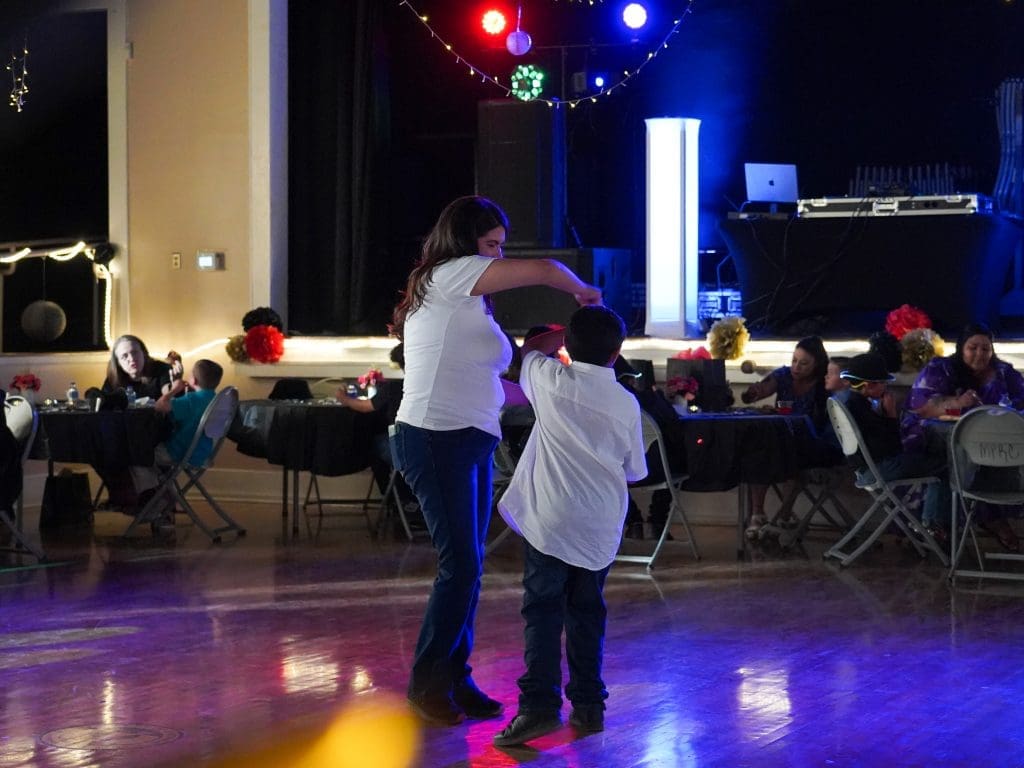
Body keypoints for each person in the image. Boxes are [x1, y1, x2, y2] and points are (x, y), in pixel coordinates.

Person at [390, 195, 602, 727]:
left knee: (469, 568)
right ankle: (428, 684)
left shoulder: (467, 301)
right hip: (435, 436)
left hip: (470, 437)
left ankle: (454, 679)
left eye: (500, 248)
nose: (498, 256)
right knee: (459, 567)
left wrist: (551, 372)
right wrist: (580, 290)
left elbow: (497, 383)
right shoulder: (447, 277)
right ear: (466, 243)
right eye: (491, 245)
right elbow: (546, 269)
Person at [492, 305, 647, 747]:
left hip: (550, 521)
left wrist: (561, 330)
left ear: (567, 346)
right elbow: (635, 470)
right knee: (587, 612)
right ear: (617, 353)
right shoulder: (625, 403)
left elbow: (530, 349)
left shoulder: (547, 379)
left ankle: (539, 709)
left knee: (542, 612)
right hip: (598, 525)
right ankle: (589, 705)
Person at [900, 322, 1024, 548]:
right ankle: (966, 519)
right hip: (935, 435)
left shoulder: (1004, 373)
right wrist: (958, 403)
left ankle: (986, 512)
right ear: (961, 348)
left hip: (992, 438)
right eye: (973, 348)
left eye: (985, 348)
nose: (980, 354)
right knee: (957, 448)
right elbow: (922, 407)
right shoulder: (941, 369)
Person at [834, 352, 949, 539]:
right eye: (882, 383)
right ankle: (930, 524)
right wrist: (891, 416)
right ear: (869, 385)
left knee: (930, 457)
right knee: (946, 465)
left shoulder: (847, 401)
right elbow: (893, 447)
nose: (886, 387)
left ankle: (928, 524)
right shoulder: (861, 408)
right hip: (879, 469)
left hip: (863, 468)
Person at [740, 336, 833, 536]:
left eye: (804, 363)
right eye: (794, 360)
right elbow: (759, 392)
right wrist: (753, 393)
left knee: (784, 456)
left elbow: (819, 423)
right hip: (778, 439)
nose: (796, 367)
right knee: (758, 450)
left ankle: (784, 513)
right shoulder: (783, 376)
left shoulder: (823, 384)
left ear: (817, 366)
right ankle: (758, 513)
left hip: (809, 442)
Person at [334, 343, 421, 531]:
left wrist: (344, 398)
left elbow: (366, 407)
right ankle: (404, 501)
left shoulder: (394, 388)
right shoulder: (430, 388)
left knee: (373, 447)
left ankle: (396, 501)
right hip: (430, 450)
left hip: (403, 450)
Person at [129, 359, 224, 524]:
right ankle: (165, 492)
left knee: (138, 452)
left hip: (179, 452)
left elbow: (160, 406)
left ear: (193, 380)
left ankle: (154, 497)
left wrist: (173, 390)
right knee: (152, 457)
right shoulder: (217, 400)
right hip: (202, 453)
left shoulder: (191, 400)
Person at [102, 334, 184, 400]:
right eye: (124, 356)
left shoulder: (162, 368)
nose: (131, 358)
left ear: (144, 353)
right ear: (118, 363)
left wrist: (174, 386)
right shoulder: (113, 378)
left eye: (135, 352)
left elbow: (167, 394)